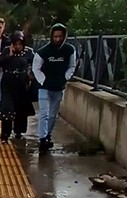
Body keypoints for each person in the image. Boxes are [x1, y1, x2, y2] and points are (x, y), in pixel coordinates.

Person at [32, 23, 77, 153]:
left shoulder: (69, 50)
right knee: (44, 114)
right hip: (44, 88)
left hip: (58, 87)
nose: (57, 39)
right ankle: (42, 139)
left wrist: (66, 77)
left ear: (64, 37)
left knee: (53, 115)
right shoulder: (43, 52)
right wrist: (43, 80)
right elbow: (36, 68)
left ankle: (47, 135)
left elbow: (72, 66)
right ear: (51, 36)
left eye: (60, 36)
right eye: (55, 36)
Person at [0, 30, 36, 143]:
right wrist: (9, 55)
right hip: (8, 82)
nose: (18, 46)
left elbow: (37, 64)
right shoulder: (6, 50)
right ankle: (5, 134)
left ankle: (19, 131)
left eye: (20, 44)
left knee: (21, 108)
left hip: (22, 83)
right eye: (15, 44)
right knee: (7, 109)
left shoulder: (29, 52)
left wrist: (31, 74)